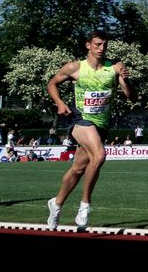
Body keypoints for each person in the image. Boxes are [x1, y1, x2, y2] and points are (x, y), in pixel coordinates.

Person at [43, 32, 134, 229]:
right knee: (100, 155)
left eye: (105, 44)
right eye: (98, 44)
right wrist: (59, 102)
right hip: (80, 120)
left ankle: (56, 204)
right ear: (88, 45)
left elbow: (131, 96)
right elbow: (52, 84)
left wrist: (125, 81)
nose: (102, 48)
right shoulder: (75, 67)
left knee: (78, 169)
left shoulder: (115, 67)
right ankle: (85, 205)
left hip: (101, 124)